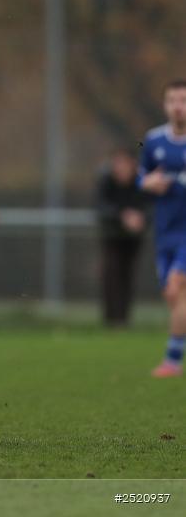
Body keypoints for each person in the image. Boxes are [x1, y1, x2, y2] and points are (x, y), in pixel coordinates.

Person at [139, 80, 186, 378]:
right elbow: (141, 176)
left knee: (175, 287)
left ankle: (172, 360)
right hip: (164, 232)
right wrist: (148, 183)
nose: (178, 105)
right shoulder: (153, 140)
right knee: (173, 298)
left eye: (183, 99)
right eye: (172, 100)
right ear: (165, 104)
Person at [96, 148, 148, 327]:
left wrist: (140, 218)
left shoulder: (141, 181)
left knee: (127, 275)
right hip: (112, 235)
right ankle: (111, 319)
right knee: (111, 274)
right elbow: (101, 206)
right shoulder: (106, 180)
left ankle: (124, 319)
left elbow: (149, 205)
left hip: (133, 237)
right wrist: (122, 216)